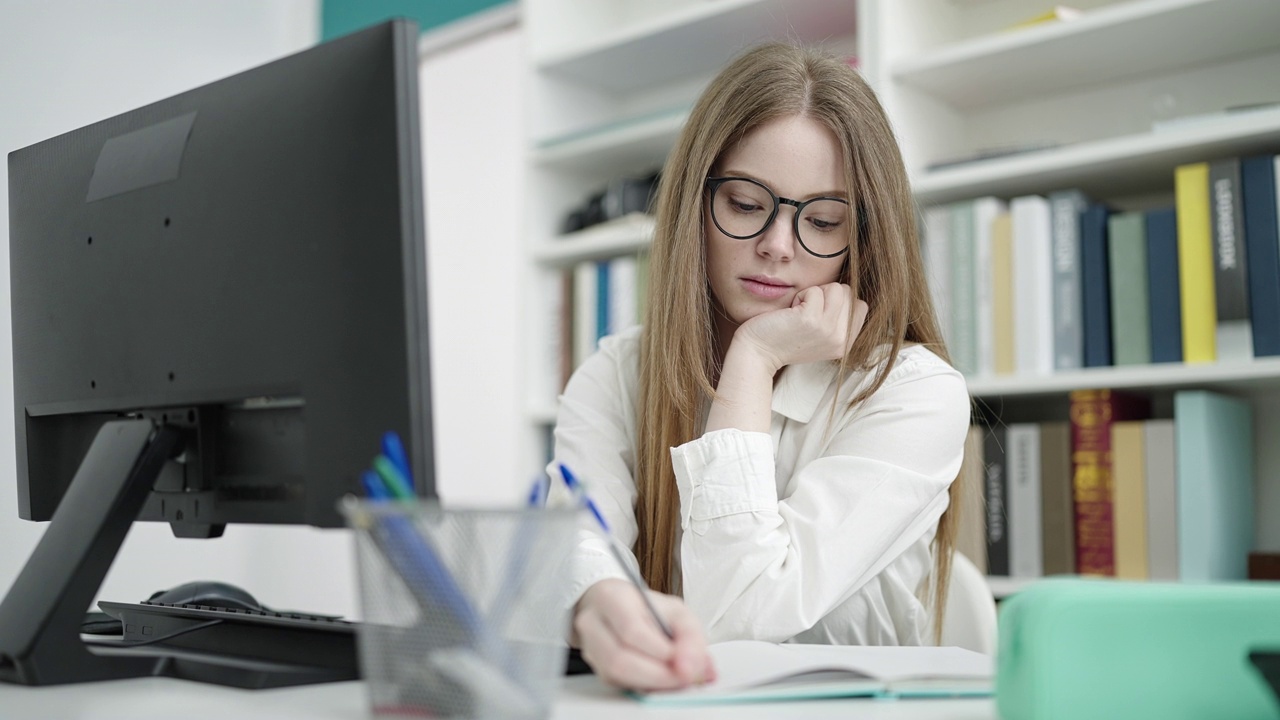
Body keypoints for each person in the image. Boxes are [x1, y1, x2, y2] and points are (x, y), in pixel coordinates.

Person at [547, 42, 970, 692]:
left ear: (862, 236)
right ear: (695, 204)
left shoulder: (916, 393)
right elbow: (575, 546)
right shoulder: (617, 373)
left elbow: (738, 617)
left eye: (823, 220)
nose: (777, 246)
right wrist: (596, 598)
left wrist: (755, 357)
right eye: (746, 205)